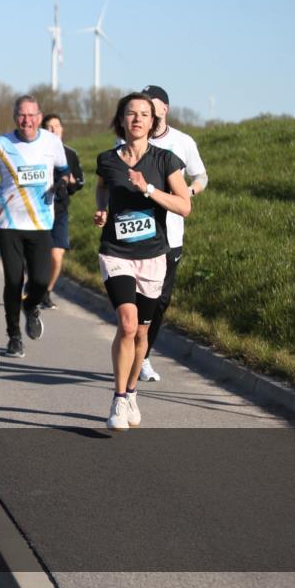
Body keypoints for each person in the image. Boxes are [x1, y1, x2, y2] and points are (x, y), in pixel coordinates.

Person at [94, 93, 189, 431]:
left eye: (144, 114)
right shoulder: (107, 159)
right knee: (128, 324)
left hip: (153, 255)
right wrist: (103, 209)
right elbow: (102, 188)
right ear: (121, 120)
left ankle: (132, 391)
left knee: (143, 332)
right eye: (130, 113)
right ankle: (119, 398)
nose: (137, 119)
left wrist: (148, 189)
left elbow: (184, 206)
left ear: (153, 122)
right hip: (116, 252)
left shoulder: (165, 160)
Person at [0, 95, 68, 358]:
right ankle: (14, 336)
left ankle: (32, 305)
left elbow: (63, 170)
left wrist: (62, 184)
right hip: (9, 222)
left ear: (39, 117)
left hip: (41, 222)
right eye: (22, 115)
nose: (27, 120)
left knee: (40, 280)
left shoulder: (51, 142)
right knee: (14, 280)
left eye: (31, 115)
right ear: (15, 118)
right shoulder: (2, 144)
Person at [136, 85, 208, 381]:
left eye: (151, 105)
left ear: (164, 108)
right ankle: (130, 350)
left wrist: (188, 192)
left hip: (170, 236)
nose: (145, 112)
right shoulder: (131, 139)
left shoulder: (183, 141)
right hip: (137, 234)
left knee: (159, 302)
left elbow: (201, 175)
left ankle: (143, 357)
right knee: (135, 302)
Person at [39, 114, 85, 309]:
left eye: (56, 126)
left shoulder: (70, 154)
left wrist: (71, 182)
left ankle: (46, 292)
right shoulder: (37, 153)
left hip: (60, 211)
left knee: (57, 256)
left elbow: (79, 182)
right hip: (39, 210)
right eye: (49, 127)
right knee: (39, 256)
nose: (53, 130)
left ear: (62, 129)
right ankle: (34, 287)